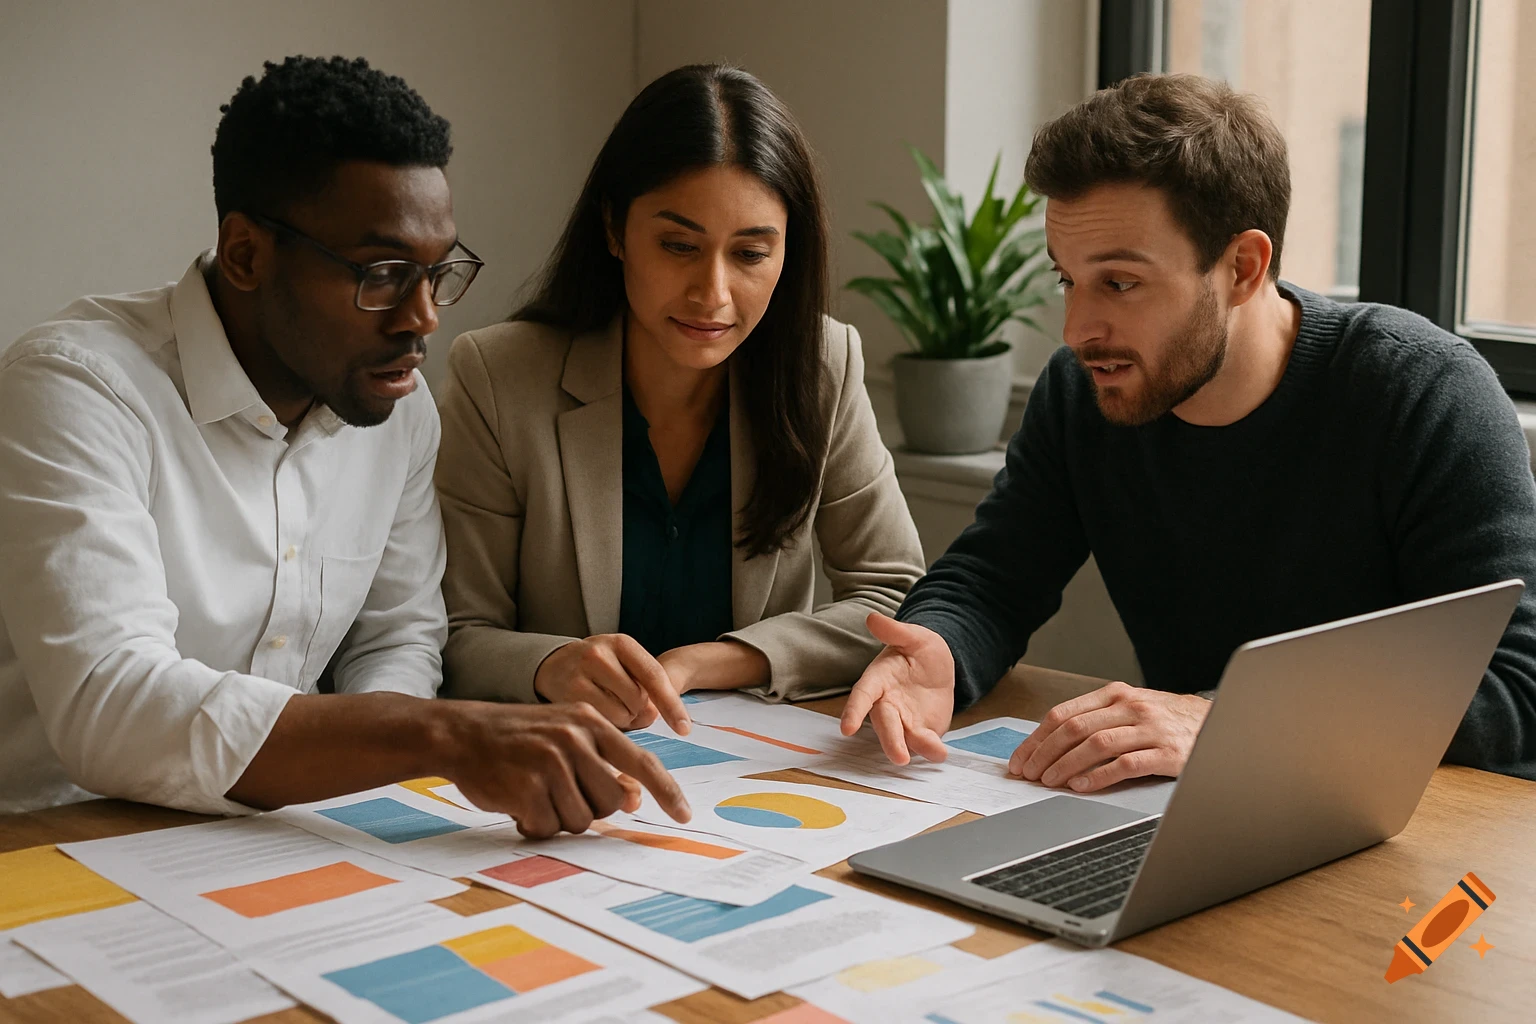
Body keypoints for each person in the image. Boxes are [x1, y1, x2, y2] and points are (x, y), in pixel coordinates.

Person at [0, 56, 689, 837]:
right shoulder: (77, 386)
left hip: (279, 837)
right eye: (384, 273)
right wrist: (441, 736)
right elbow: (112, 702)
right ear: (246, 255)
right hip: (52, 843)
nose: (423, 318)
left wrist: (397, 772)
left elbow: (398, 635)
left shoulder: (397, 406)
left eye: (439, 273)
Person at [842, 73, 1536, 786]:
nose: (1078, 330)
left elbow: (1519, 693)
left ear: (1242, 267)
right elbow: (993, 579)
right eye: (1066, 280)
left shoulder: (1424, 392)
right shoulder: (1083, 392)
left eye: (1119, 283)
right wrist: (936, 649)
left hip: (1416, 832)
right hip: (1202, 809)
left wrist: (1230, 722)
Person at [435, 64, 924, 732]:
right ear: (614, 230)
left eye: (751, 254)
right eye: (678, 245)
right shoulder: (498, 376)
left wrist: (713, 663)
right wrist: (551, 665)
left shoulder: (822, 364)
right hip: (559, 765)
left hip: (750, 771)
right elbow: (456, 631)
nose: (712, 293)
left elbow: (895, 595)